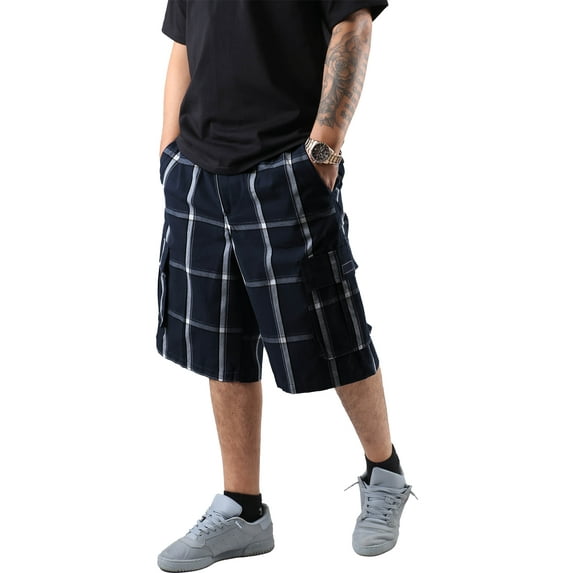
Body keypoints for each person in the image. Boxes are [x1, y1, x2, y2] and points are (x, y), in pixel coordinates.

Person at [155, 1, 413, 571]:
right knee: (221, 343)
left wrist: (324, 147)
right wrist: (168, 150)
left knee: (333, 330)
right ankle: (243, 511)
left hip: (285, 166)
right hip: (198, 171)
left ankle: (385, 474)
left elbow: (354, 24)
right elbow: (181, 43)